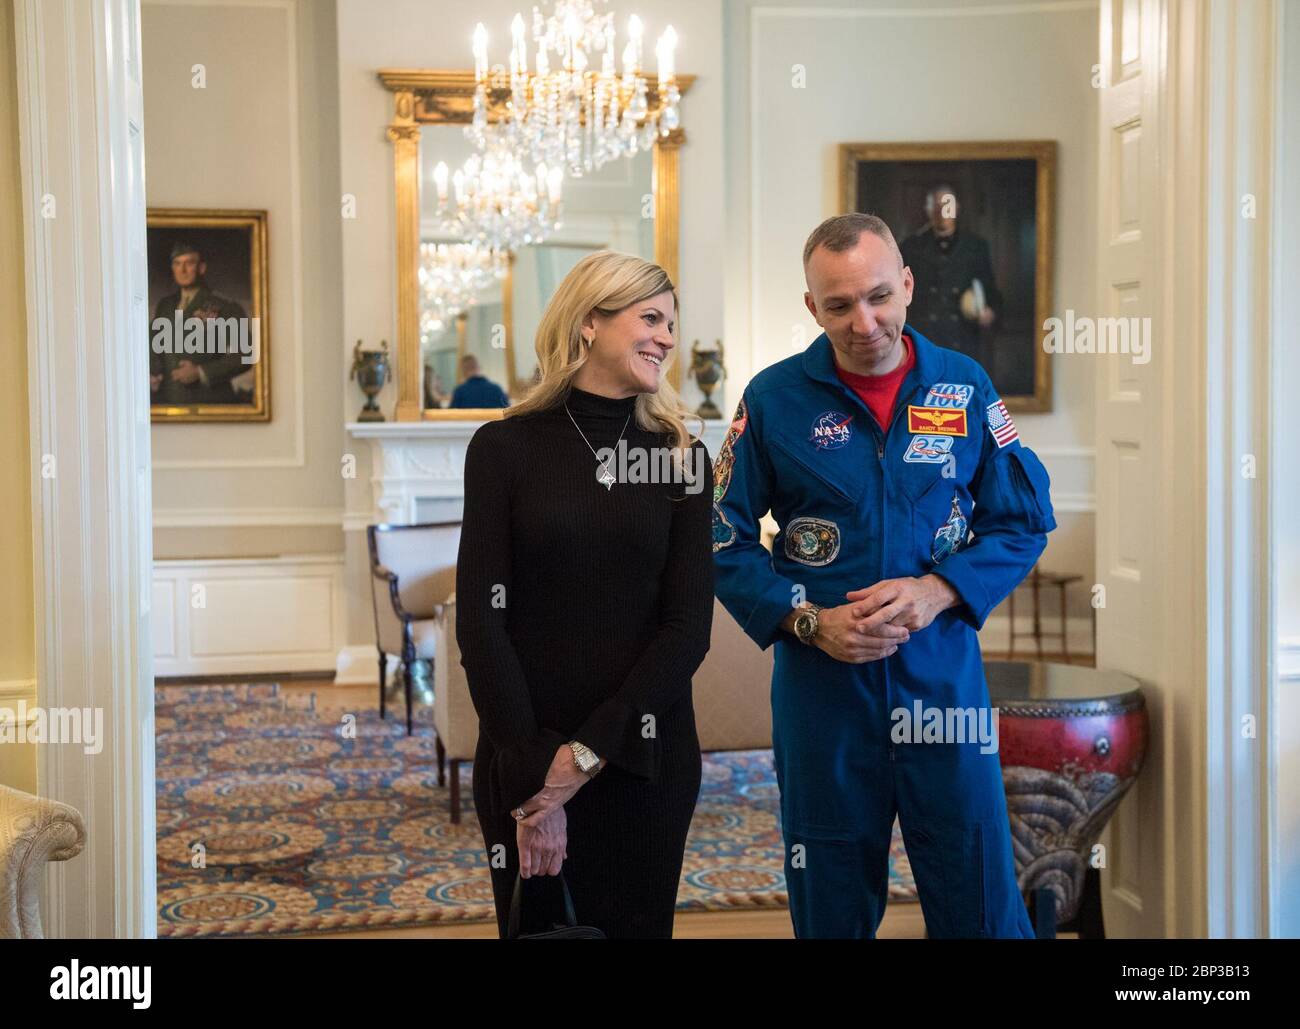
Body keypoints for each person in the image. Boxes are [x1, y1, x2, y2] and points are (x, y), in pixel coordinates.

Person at [712, 212, 1055, 939]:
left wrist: (940, 590)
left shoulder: (963, 387)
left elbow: (1022, 519)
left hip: (943, 685)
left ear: (906, 285)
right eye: (838, 304)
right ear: (812, 307)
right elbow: (721, 538)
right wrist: (809, 619)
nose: (863, 321)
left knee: (979, 889)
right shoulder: (773, 400)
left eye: (877, 296)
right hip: (822, 694)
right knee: (830, 897)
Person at [456, 250, 713, 939]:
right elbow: (481, 624)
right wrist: (539, 779)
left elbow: (689, 626)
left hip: (642, 760)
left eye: (671, 323)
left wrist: (584, 757)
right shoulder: (501, 449)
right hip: (522, 755)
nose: (666, 336)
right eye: (649, 317)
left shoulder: (682, 455)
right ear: (589, 323)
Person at [899, 185, 1002, 364]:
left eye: (947, 205)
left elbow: (989, 288)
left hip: (963, 336)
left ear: (957, 208)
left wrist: (989, 312)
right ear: (928, 210)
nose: (942, 211)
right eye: (936, 206)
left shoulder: (976, 247)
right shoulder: (910, 247)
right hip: (924, 336)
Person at [150, 240, 249, 405]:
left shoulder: (225, 306)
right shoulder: (165, 305)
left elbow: (245, 355)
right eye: (177, 264)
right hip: (169, 399)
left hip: (209, 400)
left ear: (201, 268)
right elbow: (154, 347)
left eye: (189, 263)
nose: (182, 270)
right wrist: (152, 373)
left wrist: (201, 372)